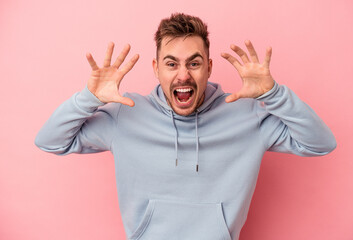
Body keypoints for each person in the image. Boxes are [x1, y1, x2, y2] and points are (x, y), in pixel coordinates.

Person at [35, 13, 336, 240]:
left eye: (194, 63)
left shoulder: (247, 116)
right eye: (171, 64)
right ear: (156, 69)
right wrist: (88, 99)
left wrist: (274, 95)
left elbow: (320, 143)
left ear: (209, 66)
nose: (183, 75)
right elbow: (50, 140)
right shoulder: (126, 114)